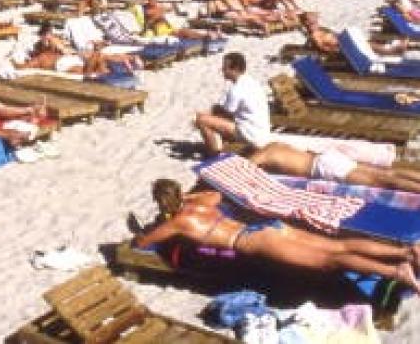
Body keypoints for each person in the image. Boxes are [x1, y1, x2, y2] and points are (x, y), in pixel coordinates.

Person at [133, 179, 420, 294]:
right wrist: (188, 195)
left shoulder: (178, 223)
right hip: (268, 226)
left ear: (161, 204)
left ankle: (397, 271)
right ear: (180, 193)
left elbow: (143, 243)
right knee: (338, 245)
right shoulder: (201, 204)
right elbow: (216, 194)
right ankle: (405, 252)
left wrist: (149, 230)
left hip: (256, 241)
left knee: (329, 260)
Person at [250, 140, 420, 193]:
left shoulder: (264, 155)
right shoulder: (275, 144)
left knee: (381, 182)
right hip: (328, 157)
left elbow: (242, 166)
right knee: (388, 174)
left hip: (322, 167)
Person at [194, 52, 270, 154]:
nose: (222, 70)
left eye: (225, 68)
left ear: (235, 69)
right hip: (261, 132)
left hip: (250, 134)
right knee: (212, 115)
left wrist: (203, 116)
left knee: (202, 120)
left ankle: (213, 154)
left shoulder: (236, 89)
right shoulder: (251, 82)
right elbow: (226, 110)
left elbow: (224, 114)